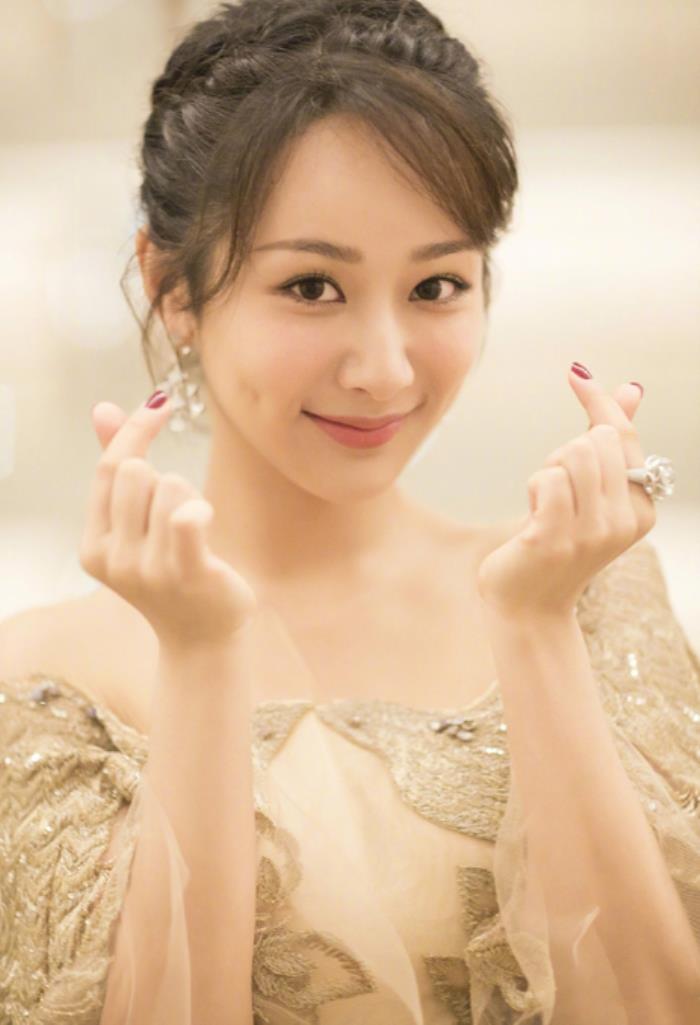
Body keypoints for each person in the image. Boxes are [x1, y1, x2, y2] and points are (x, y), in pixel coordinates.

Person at [0, 1, 698, 1023]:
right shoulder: (48, 684)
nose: (384, 369)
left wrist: (536, 627)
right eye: (313, 286)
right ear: (172, 288)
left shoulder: (587, 597)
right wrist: (200, 656)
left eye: (437, 284)